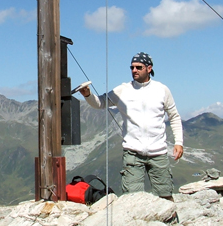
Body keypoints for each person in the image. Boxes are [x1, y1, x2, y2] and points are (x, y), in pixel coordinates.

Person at [78, 52, 184, 200]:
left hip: (158, 152)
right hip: (133, 153)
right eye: (132, 67)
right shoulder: (123, 90)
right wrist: (87, 95)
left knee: (165, 196)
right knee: (132, 199)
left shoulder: (162, 90)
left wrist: (179, 142)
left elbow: (174, 116)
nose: (134, 70)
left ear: (149, 68)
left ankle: (170, 223)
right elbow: (101, 103)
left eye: (138, 67)